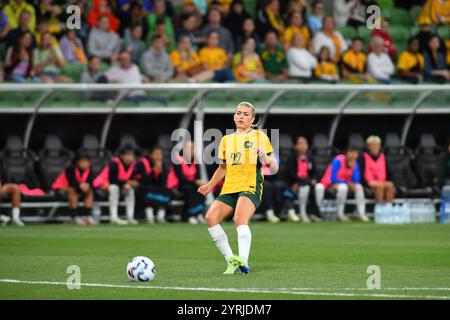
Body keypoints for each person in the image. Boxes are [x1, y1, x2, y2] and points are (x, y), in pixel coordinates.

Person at [198, 102, 278, 274]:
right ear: (234, 116)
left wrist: (266, 158)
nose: (241, 116)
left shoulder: (260, 137)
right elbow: (223, 167)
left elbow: (275, 168)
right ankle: (231, 262)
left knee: (239, 219)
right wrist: (210, 185)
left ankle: (244, 261)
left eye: (246, 114)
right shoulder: (226, 140)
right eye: (238, 113)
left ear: (253, 119)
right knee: (211, 218)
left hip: (250, 186)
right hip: (229, 187)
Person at [315, 146, 369, 222]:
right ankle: (335, 213)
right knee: (343, 187)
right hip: (330, 184)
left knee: (359, 187)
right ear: (347, 153)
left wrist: (353, 170)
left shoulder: (355, 164)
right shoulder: (338, 160)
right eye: (352, 152)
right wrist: (347, 183)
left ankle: (361, 213)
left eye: (356, 153)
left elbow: (356, 180)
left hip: (346, 186)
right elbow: (333, 178)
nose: (354, 155)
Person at [93, 146, 138, 225]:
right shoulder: (114, 163)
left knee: (130, 189)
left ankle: (130, 217)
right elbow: (113, 180)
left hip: (117, 186)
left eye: (131, 155)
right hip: (101, 186)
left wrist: (132, 182)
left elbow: (133, 179)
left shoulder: (133, 165)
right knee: (114, 188)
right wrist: (125, 183)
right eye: (126, 155)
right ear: (121, 156)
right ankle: (114, 217)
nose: (129, 157)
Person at [51, 152, 96, 226]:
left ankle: (88, 216)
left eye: (86, 161)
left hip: (79, 188)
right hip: (61, 188)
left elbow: (90, 182)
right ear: (77, 162)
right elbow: (72, 183)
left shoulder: (90, 169)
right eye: (82, 161)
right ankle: (74, 217)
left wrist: (86, 186)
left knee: (90, 191)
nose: (85, 163)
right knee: (72, 190)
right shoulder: (70, 169)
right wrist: (81, 186)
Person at [168, 141, 207, 224]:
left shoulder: (195, 162)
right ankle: (191, 215)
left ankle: (199, 213)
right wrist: (195, 181)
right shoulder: (178, 160)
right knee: (190, 189)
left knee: (202, 189)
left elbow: (197, 177)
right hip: (177, 185)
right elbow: (181, 178)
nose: (191, 150)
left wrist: (201, 183)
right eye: (189, 148)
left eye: (193, 148)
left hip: (190, 184)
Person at [133, 146, 171, 224]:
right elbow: (143, 179)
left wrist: (160, 172)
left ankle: (161, 216)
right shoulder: (142, 162)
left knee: (166, 189)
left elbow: (164, 180)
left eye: (160, 154)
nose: (158, 156)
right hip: (144, 186)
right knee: (147, 189)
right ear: (150, 154)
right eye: (156, 154)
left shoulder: (162, 164)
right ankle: (149, 217)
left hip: (158, 186)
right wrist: (153, 171)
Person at [287, 136, 321, 222]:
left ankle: (315, 212)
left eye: (305, 144)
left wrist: (314, 179)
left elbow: (315, 172)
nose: (303, 146)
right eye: (300, 143)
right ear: (295, 146)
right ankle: (303, 213)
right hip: (296, 184)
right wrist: (299, 182)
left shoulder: (310, 158)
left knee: (319, 187)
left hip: (308, 182)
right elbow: (292, 174)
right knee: (305, 188)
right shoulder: (291, 158)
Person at [359, 135, 395, 205]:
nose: (375, 147)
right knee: (380, 186)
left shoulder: (383, 157)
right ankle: (380, 207)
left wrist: (390, 181)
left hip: (381, 181)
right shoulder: (363, 157)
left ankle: (389, 207)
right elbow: (361, 173)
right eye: (373, 145)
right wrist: (365, 184)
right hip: (369, 182)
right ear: (368, 146)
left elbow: (389, 172)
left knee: (390, 185)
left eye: (377, 145)